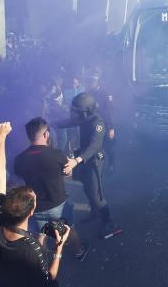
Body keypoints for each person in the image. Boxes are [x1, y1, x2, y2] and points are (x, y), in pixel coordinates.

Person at [0, 122, 71, 287]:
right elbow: (49, 278)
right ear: (31, 211)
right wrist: (58, 250)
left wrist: (0, 137)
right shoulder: (31, 249)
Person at [14, 117, 88, 261]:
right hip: (58, 203)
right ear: (46, 134)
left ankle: (41, 265)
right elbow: (69, 172)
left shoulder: (20, 159)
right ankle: (79, 252)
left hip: (36, 206)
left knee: (41, 234)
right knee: (68, 229)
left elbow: (17, 177)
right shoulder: (56, 154)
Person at [56, 92, 117, 237]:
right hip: (83, 159)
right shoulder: (83, 118)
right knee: (87, 187)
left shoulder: (98, 123)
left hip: (93, 161)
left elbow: (94, 146)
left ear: (85, 112)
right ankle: (95, 212)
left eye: (76, 111)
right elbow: (68, 122)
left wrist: (76, 161)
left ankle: (109, 222)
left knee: (96, 195)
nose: (73, 114)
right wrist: (48, 122)